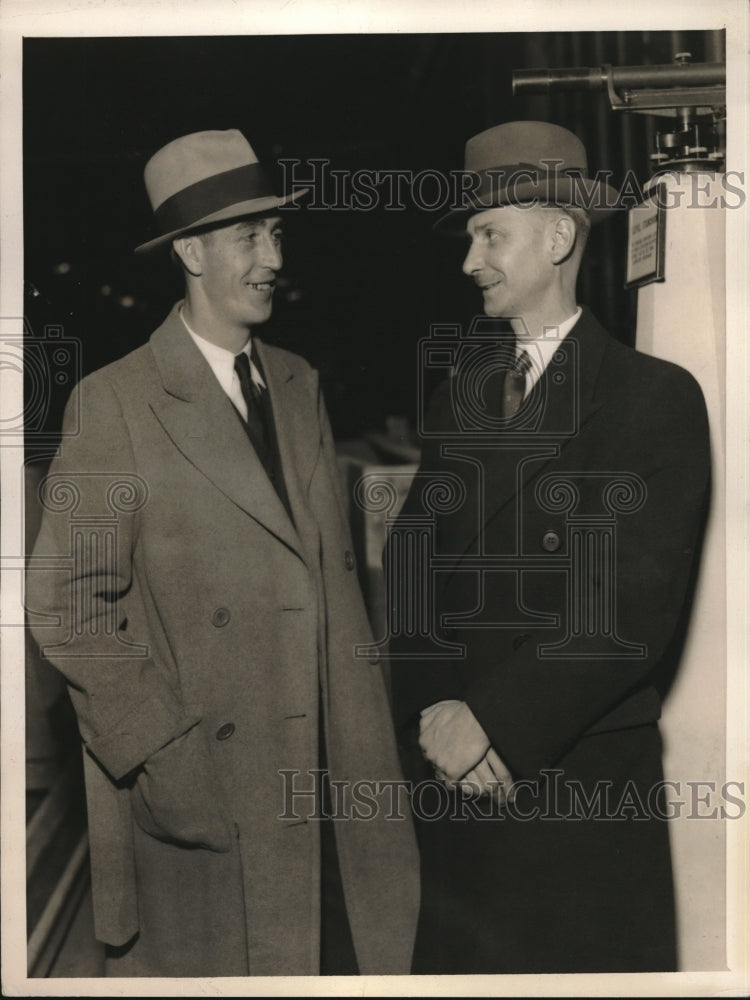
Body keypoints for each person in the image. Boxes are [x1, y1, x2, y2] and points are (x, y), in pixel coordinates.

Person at [27, 129, 418, 977]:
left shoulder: (300, 382)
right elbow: (66, 603)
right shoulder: (115, 404)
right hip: (210, 780)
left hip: (329, 771)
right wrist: (162, 753)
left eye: (277, 233)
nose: (272, 257)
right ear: (191, 253)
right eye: (249, 237)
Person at [388, 121, 711, 974]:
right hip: (459, 791)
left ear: (559, 236)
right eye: (469, 237)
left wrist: (493, 722)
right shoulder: (464, 394)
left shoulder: (652, 398)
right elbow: (413, 571)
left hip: (579, 801)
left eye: (489, 234)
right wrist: (436, 721)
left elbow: (630, 607)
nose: (470, 260)